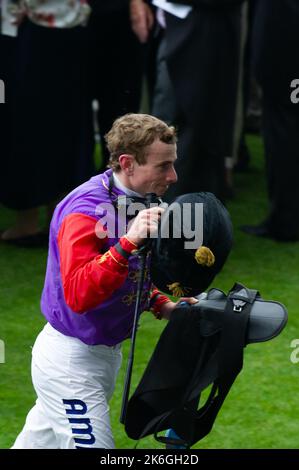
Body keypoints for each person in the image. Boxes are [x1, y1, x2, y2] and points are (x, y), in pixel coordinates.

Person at [12, 113, 198, 449]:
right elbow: (79, 293)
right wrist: (128, 242)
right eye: (163, 166)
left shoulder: (141, 199)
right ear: (128, 163)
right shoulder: (84, 211)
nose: (173, 176)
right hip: (70, 364)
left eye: (173, 164)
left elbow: (132, 274)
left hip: (102, 357)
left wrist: (162, 304)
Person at [0, 0, 95, 246]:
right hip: (59, 23)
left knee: (29, 120)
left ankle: (34, 218)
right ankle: (58, 215)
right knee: (58, 119)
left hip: (37, 24)